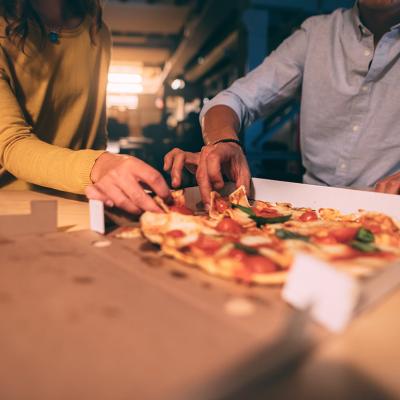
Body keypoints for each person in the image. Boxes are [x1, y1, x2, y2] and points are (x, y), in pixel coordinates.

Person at [164, 0, 400, 203]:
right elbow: (234, 100)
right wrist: (223, 142)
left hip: (391, 210)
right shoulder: (315, 34)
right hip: (313, 209)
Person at [0, 0, 170, 214]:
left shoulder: (96, 32)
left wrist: (105, 178)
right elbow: (11, 144)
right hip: (16, 206)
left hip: (84, 202)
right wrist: (99, 165)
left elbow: (95, 131)